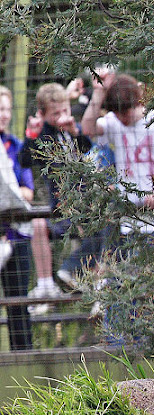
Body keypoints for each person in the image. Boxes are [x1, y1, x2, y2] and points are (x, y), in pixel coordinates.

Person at [81, 72, 154, 239]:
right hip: (133, 225)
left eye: (125, 111)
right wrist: (99, 92)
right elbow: (87, 128)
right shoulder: (113, 122)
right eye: (117, 112)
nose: (122, 117)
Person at [19, 83, 93, 315]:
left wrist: (75, 132)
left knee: (103, 230)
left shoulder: (72, 128)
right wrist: (32, 134)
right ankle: (46, 285)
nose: (62, 116)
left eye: (65, 110)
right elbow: (24, 160)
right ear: (42, 114)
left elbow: (88, 150)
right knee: (38, 223)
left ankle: (93, 284)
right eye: (55, 113)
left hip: (88, 204)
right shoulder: (43, 134)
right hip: (62, 207)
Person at [0, 86, 35, 349]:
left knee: (18, 303)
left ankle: (24, 359)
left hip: (16, 234)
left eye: (5, 109)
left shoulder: (16, 146)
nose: (2, 114)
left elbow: (28, 191)